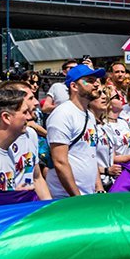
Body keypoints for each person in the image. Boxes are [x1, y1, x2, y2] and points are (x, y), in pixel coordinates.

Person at [46, 64, 105, 198]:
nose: (96, 84)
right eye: (89, 81)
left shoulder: (89, 115)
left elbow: (90, 154)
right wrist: (76, 197)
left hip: (87, 195)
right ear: (74, 86)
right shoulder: (63, 114)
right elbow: (60, 162)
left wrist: (99, 187)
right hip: (65, 197)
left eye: (96, 80)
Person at [0, 79, 52, 199]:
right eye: (30, 98)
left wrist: (49, 207)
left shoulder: (30, 134)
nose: (36, 102)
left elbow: (36, 177)